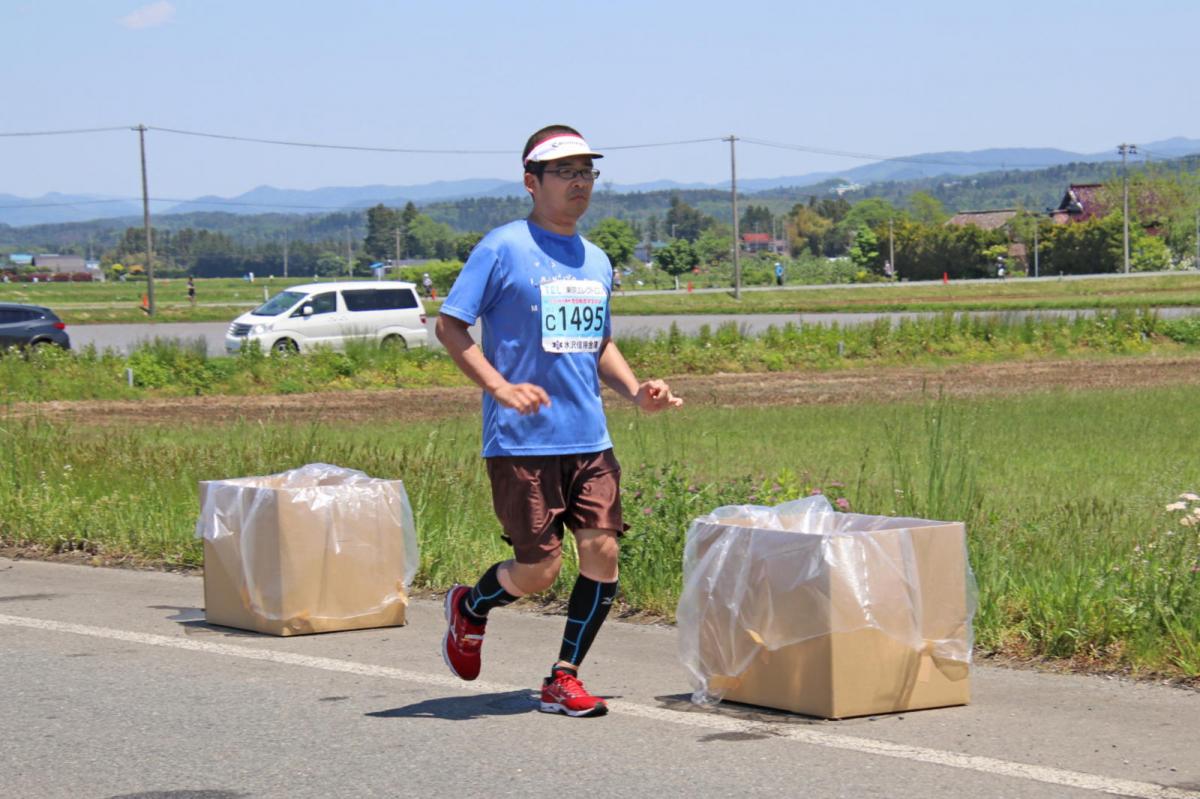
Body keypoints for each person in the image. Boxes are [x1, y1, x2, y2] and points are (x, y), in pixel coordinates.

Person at [436, 124, 683, 718]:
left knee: (602, 553)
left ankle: (563, 676)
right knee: (540, 571)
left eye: (587, 172)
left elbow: (597, 343)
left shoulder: (596, 259)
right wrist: (499, 387)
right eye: (566, 172)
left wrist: (636, 391)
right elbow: (450, 326)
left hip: (589, 439)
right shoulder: (502, 248)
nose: (580, 182)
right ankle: (471, 607)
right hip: (521, 442)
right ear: (531, 182)